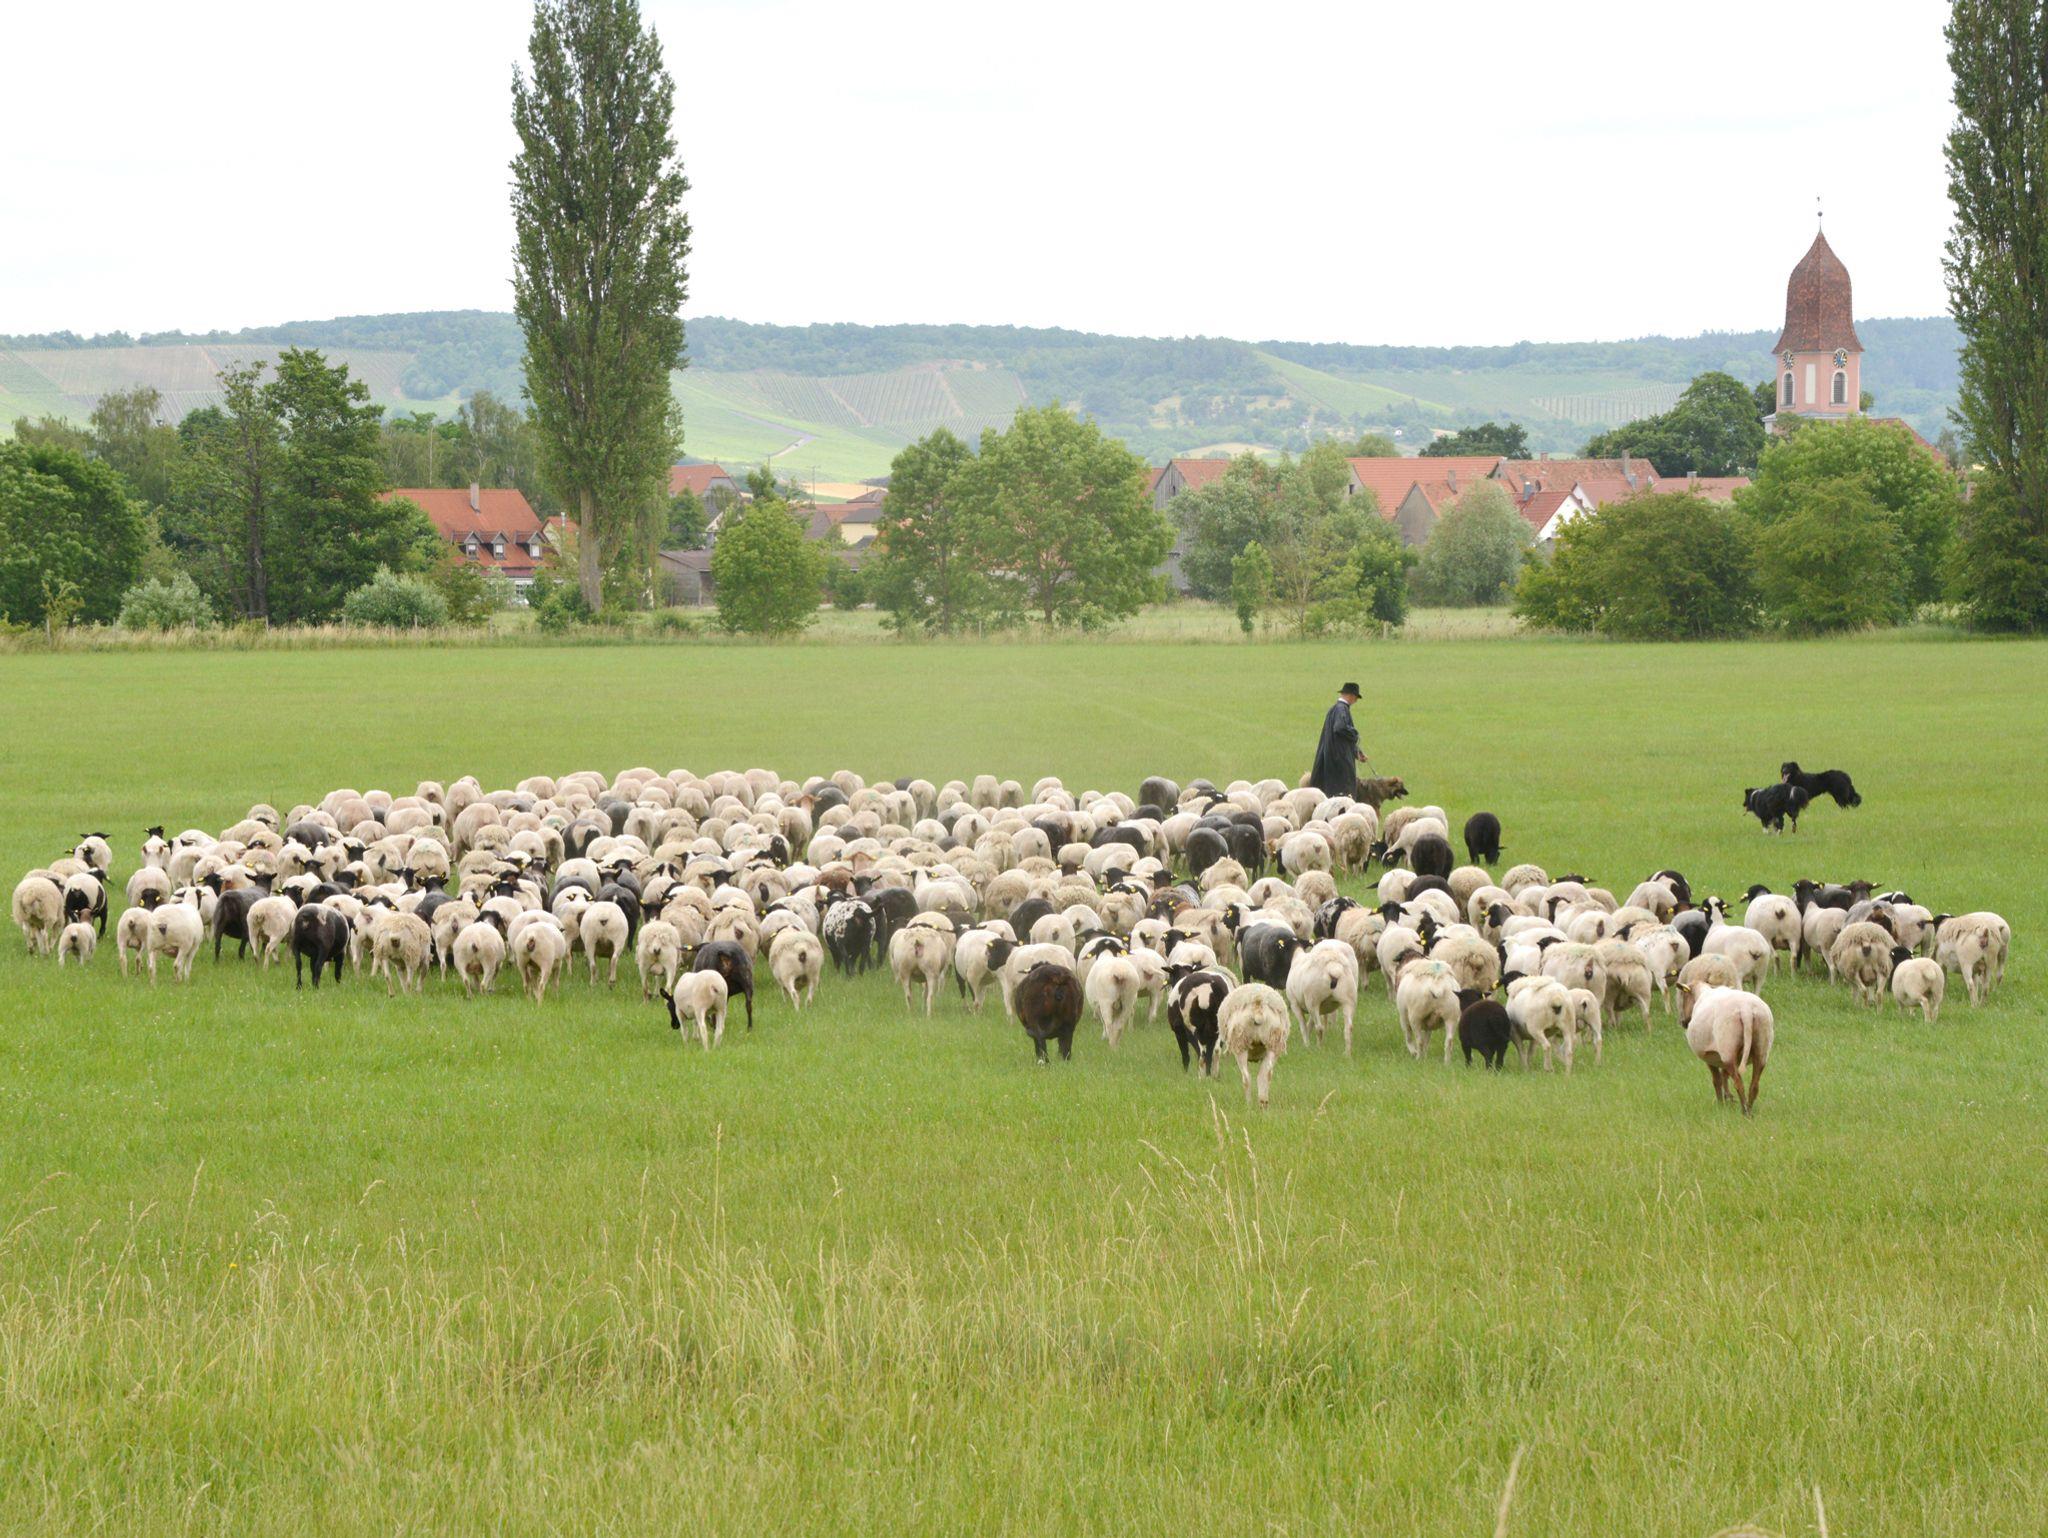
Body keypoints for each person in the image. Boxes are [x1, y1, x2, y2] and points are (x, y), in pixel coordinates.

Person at [1308, 682, 1367, 798]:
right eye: (1356, 698)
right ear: (1351, 695)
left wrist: (1357, 752)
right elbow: (1340, 728)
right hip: (1338, 761)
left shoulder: (1334, 709)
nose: (1356, 701)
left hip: (1330, 759)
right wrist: (1355, 734)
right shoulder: (1342, 709)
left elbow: (1341, 737)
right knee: (1342, 794)